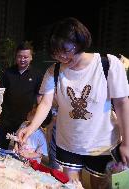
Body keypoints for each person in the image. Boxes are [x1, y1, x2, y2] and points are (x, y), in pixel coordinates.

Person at [18, 17, 129, 188]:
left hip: (102, 144)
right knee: (71, 186)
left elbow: (122, 105)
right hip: (68, 143)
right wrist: (30, 129)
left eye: (66, 50)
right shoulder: (53, 71)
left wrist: (127, 144)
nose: (62, 57)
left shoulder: (108, 64)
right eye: (57, 52)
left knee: (100, 186)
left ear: (80, 42)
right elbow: (46, 104)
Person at [0, 41, 42, 149]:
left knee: (21, 150)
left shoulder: (37, 75)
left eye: (25, 57)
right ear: (16, 57)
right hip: (6, 119)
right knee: (0, 148)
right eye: (19, 56)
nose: (22, 59)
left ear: (31, 57)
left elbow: (39, 98)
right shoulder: (8, 73)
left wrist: (38, 117)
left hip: (25, 122)